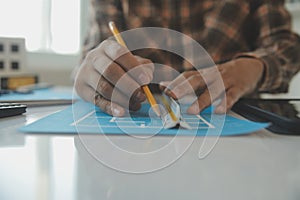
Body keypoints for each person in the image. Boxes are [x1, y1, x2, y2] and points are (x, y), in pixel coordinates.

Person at [74, 0, 300, 116]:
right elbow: (93, 58)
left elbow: (286, 45)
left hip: (241, 126)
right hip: (138, 140)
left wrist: (255, 67)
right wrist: (94, 73)